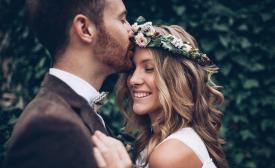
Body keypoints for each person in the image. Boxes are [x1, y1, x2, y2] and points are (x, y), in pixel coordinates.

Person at [3, 0, 134, 168]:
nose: (131, 30)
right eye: (122, 20)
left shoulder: (69, 112)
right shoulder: (50, 127)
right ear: (85, 29)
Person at [92, 19, 228, 168]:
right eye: (132, 70)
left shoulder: (171, 154)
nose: (133, 80)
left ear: (176, 79)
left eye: (149, 68)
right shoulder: (158, 141)